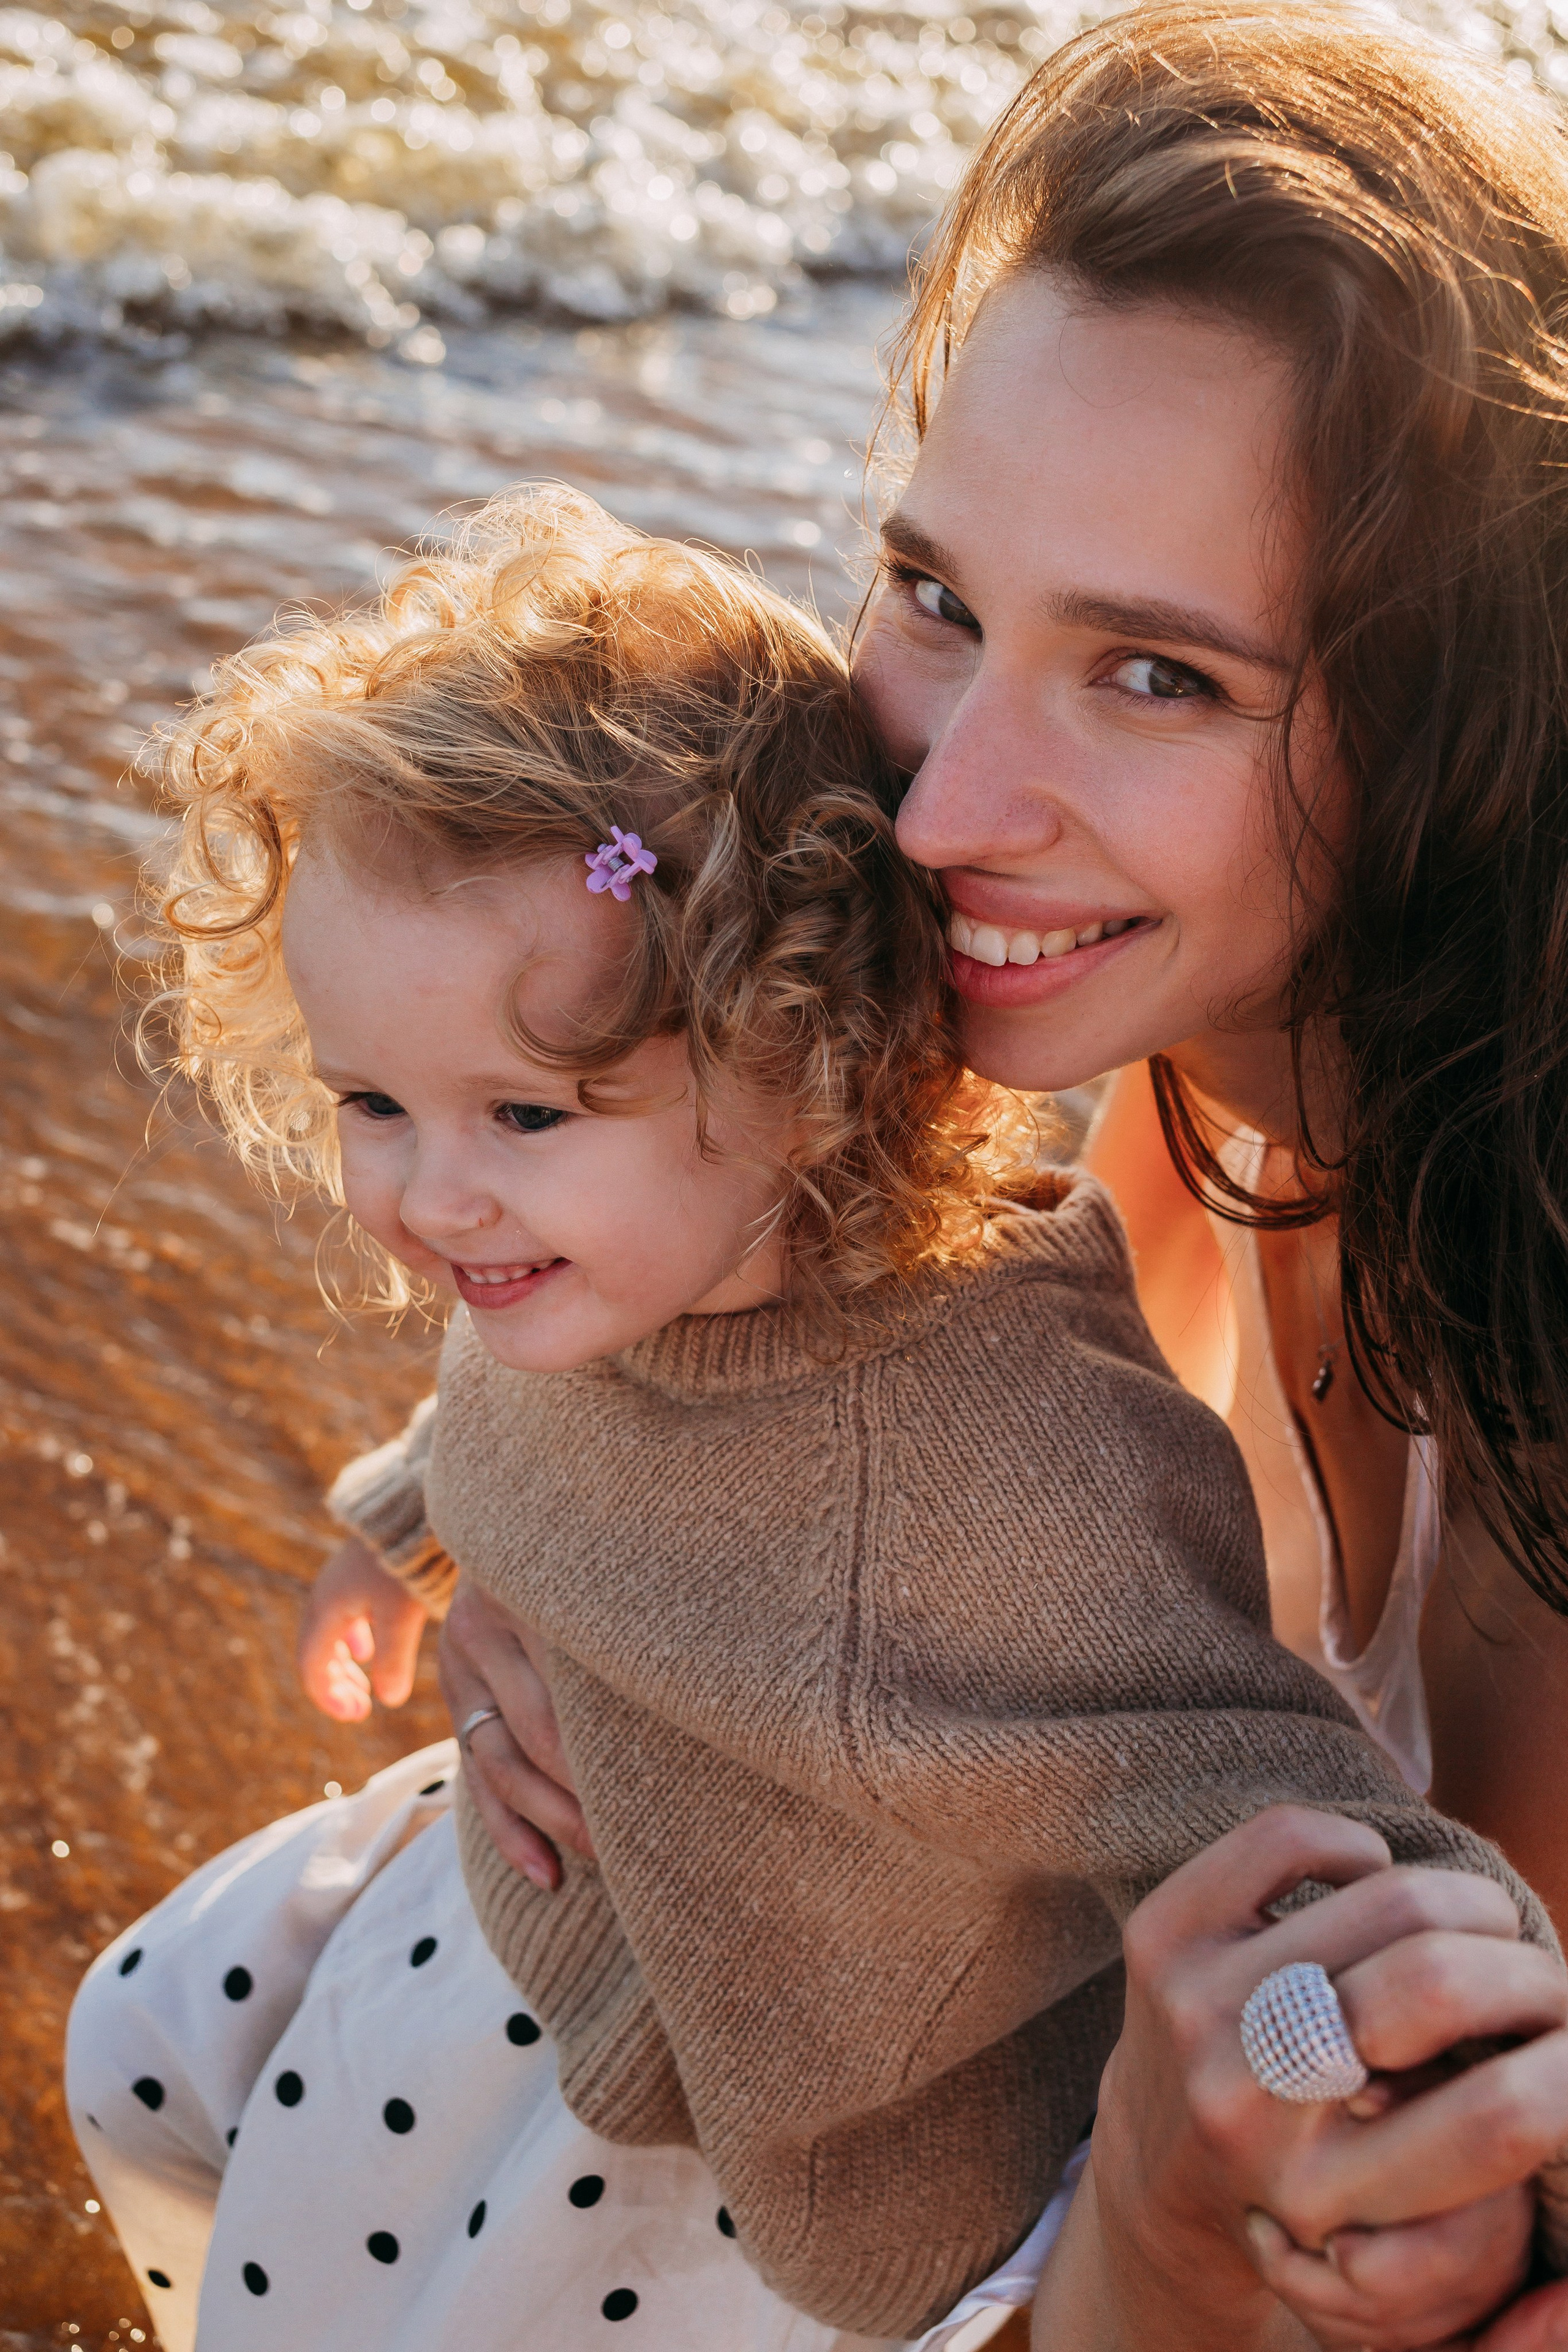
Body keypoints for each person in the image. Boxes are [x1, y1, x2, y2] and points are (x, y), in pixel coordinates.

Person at [69, 481, 1537, 2351]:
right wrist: (409, 1524)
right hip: (552, 1918)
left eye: (522, 1113)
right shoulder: (635, 1243)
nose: (429, 1202)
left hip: (743, 2179)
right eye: (373, 1103)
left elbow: (1284, 1807)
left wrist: (1489, 2130)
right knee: (146, 2044)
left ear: (805, 1056)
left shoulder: (985, 1475)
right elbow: (545, 1417)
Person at [436, 6, 1568, 2346]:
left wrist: (1165, 2237)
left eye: (1157, 675)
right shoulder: (1118, 1059)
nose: (940, 810)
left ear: (1477, 714)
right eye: (941, 596)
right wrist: (568, 1558)